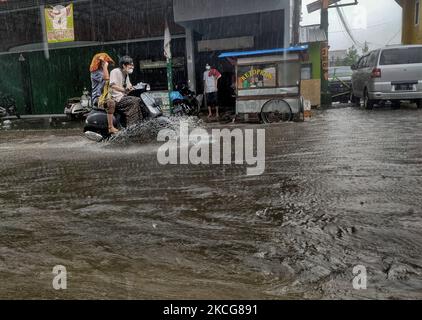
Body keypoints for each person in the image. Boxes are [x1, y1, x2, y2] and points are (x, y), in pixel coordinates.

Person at [109, 56, 143, 128]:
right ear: (124, 65)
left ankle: (140, 124)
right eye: (130, 65)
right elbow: (112, 86)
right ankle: (131, 127)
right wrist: (124, 90)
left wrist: (135, 87)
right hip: (116, 99)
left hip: (123, 97)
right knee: (134, 101)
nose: (132, 67)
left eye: (132, 65)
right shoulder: (115, 71)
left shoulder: (126, 74)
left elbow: (129, 86)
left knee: (140, 100)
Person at [90, 53, 119, 134]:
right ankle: (110, 127)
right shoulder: (95, 73)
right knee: (111, 103)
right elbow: (106, 79)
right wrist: (105, 66)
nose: (107, 63)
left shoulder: (103, 71)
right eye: (105, 62)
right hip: (98, 99)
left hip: (106, 96)